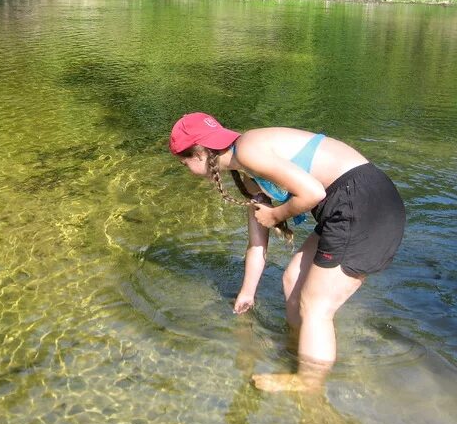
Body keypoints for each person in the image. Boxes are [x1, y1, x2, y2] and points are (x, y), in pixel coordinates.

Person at [169, 112, 405, 392]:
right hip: (357, 203)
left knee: (316, 305)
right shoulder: (244, 169)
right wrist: (247, 293)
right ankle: (298, 351)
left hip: (363, 205)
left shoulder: (248, 150)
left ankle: (308, 384)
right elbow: (257, 244)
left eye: (184, 163)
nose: (187, 169)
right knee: (292, 279)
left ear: (199, 153)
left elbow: (313, 193)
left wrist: (276, 214)